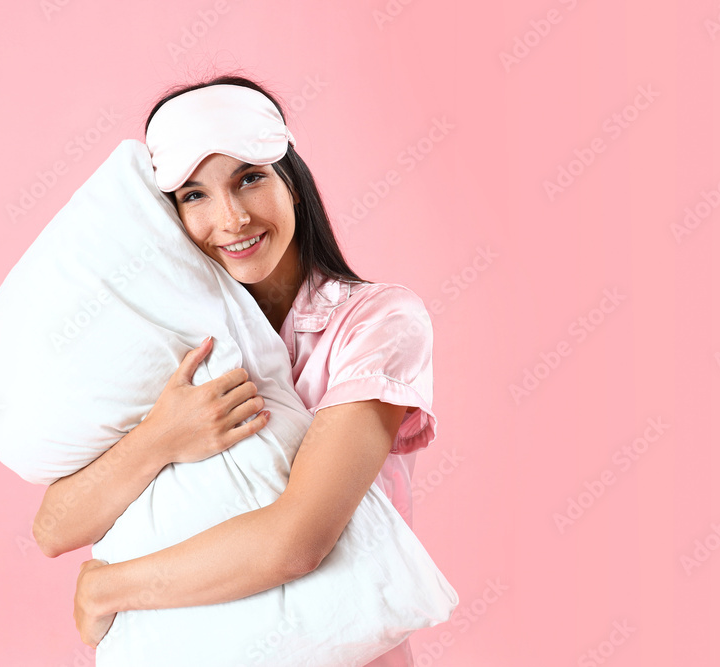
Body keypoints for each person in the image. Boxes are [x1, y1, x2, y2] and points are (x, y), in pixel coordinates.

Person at [31, 73, 438, 667]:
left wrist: (107, 586)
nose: (231, 219)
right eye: (193, 196)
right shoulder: (171, 344)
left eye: (249, 179)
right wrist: (161, 437)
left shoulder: (376, 322)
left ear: (292, 183)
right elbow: (54, 528)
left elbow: (298, 541)